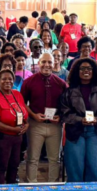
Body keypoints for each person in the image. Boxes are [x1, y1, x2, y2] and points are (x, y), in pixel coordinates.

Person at [58, 58, 97, 182]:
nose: (86, 71)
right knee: (75, 170)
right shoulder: (70, 91)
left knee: (95, 169)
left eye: (89, 68)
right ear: (77, 71)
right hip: (75, 132)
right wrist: (79, 119)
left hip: (96, 132)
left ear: (94, 71)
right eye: (82, 68)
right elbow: (64, 113)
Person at [21, 53, 67, 183]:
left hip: (55, 126)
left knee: (54, 159)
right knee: (33, 158)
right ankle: (31, 184)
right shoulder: (28, 82)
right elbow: (22, 102)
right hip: (35, 124)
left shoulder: (61, 83)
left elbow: (68, 104)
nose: (47, 65)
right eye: (44, 62)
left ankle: (53, 185)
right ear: (39, 63)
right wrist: (33, 115)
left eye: (49, 62)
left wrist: (61, 116)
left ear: (55, 64)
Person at [0, 70, 28, 184]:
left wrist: (27, 125)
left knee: (14, 165)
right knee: (1, 167)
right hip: (3, 138)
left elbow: (23, 113)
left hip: (18, 137)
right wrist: (13, 129)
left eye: (10, 79)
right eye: (4, 79)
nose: (7, 81)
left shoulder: (17, 94)